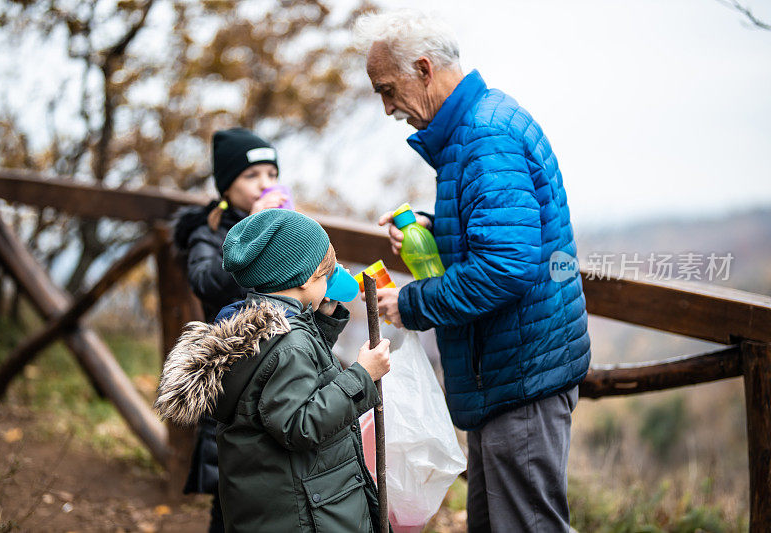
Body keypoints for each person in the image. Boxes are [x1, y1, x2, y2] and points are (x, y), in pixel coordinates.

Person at [355, 10, 591, 533]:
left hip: (520, 376)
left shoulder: (485, 138)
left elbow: (506, 266)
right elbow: (499, 234)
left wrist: (411, 304)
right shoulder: (476, 130)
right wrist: (433, 228)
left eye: (388, 90)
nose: (388, 107)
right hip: (507, 372)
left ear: (423, 68)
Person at [156, 209, 391, 533]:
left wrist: (324, 315)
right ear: (307, 278)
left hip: (279, 506)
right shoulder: (289, 345)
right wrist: (363, 375)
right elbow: (302, 424)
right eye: (325, 275)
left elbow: (298, 368)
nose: (329, 281)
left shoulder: (253, 325)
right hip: (309, 515)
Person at [171, 127, 289, 532]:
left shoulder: (281, 227)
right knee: (231, 500)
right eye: (252, 175)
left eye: (271, 174)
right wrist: (252, 232)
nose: (265, 185)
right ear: (227, 184)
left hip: (280, 374)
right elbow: (204, 283)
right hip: (231, 377)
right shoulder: (209, 230)